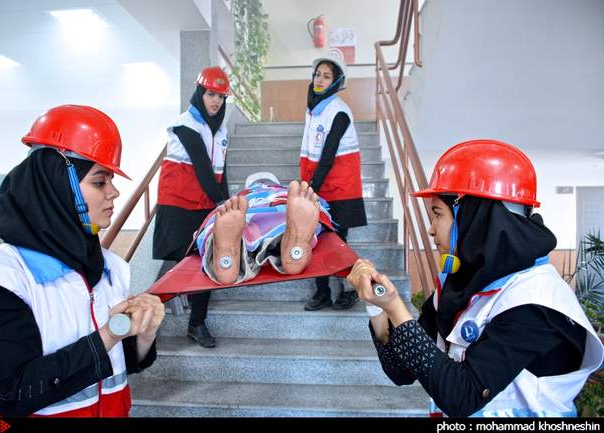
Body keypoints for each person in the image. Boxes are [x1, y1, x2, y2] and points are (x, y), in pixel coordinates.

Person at [347, 139, 604, 417]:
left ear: (474, 218)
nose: (431, 230)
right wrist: (379, 307)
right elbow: (401, 371)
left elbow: (463, 397)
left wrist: (397, 309)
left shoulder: (535, 300)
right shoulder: (459, 286)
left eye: (437, 215)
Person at [0, 105, 165, 417]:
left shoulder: (110, 268)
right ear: (58, 186)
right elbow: (13, 393)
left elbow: (119, 361)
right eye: (100, 182)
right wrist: (109, 333)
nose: (114, 193)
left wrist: (144, 334)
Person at [153, 66, 230, 348]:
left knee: (205, 261)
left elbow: (221, 171)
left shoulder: (220, 130)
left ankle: (196, 322)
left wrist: (228, 202)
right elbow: (201, 167)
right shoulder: (186, 125)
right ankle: (184, 319)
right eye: (211, 94)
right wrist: (222, 203)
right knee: (192, 263)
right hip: (179, 205)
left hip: (203, 204)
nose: (216, 101)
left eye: (221, 96)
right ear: (199, 93)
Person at [300, 54, 367, 311]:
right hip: (318, 185)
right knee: (315, 238)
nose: (319, 80)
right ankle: (322, 293)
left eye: (326, 76)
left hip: (340, 189)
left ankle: (350, 290)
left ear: (336, 82)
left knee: (336, 242)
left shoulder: (338, 111)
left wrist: (311, 189)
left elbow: (327, 156)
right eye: (317, 74)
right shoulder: (314, 109)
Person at [193, 173, 332, 285]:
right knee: (286, 220)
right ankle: (296, 248)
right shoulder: (280, 190)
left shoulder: (243, 195)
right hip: (279, 210)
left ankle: (226, 260)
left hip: (248, 214)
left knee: (225, 219)